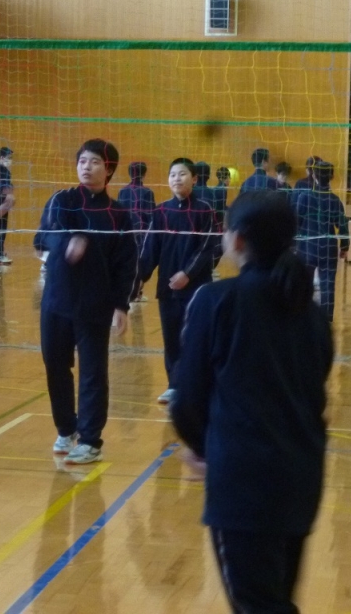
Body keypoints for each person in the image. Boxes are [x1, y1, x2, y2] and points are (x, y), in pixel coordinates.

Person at [170, 191, 332, 614]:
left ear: (237, 240)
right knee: (274, 600)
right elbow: (314, 396)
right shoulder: (313, 314)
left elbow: (187, 399)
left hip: (243, 485)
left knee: (258, 605)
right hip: (301, 479)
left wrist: (207, 452)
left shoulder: (215, 300)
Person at [35, 139, 137, 464]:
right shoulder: (62, 200)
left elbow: (126, 263)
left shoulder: (118, 214)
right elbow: (42, 236)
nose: (86, 167)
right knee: (55, 365)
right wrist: (67, 241)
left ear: (109, 170)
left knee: (93, 372)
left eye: (94, 162)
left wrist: (121, 305)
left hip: (96, 303)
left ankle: (91, 439)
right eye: (82, 161)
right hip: (57, 301)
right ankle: (67, 428)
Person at [138, 157, 218, 403]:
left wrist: (187, 274)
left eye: (182, 174)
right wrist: (137, 280)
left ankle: (199, 386)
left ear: (194, 179)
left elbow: (207, 248)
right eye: (172, 174)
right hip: (168, 288)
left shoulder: (205, 210)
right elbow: (150, 249)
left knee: (196, 338)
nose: (176, 179)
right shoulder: (161, 211)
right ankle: (174, 386)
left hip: (197, 289)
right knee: (171, 339)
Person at [293, 161, 349, 321]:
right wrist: (345, 246)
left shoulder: (304, 197)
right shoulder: (335, 200)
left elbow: (296, 222)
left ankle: (302, 315)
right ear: (331, 177)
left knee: (304, 283)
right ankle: (326, 320)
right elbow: (343, 225)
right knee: (328, 284)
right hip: (328, 247)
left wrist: (292, 244)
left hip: (307, 246)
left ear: (314, 175)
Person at [116, 161, 156, 301]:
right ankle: (137, 293)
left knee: (128, 262)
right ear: (144, 175)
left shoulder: (122, 191)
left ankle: (129, 292)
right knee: (140, 262)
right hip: (141, 232)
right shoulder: (147, 192)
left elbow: (119, 213)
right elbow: (151, 214)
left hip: (126, 232)